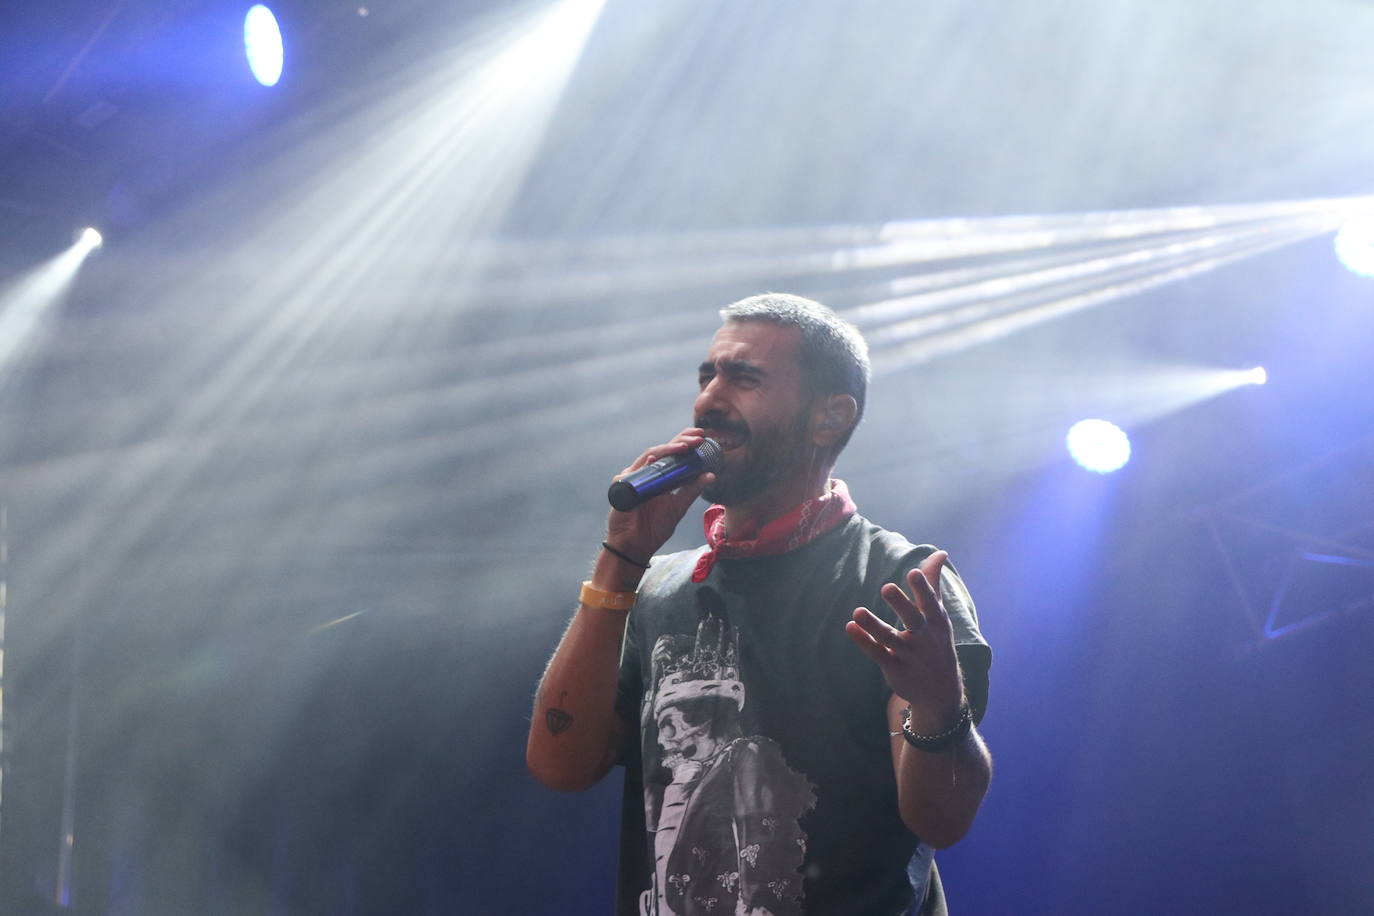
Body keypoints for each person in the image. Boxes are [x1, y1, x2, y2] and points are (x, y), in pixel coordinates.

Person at [527, 293, 992, 915]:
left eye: (743, 379)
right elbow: (560, 765)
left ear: (829, 417)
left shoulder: (898, 582)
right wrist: (622, 556)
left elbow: (943, 820)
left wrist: (940, 704)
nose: (709, 400)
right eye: (707, 376)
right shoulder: (658, 586)